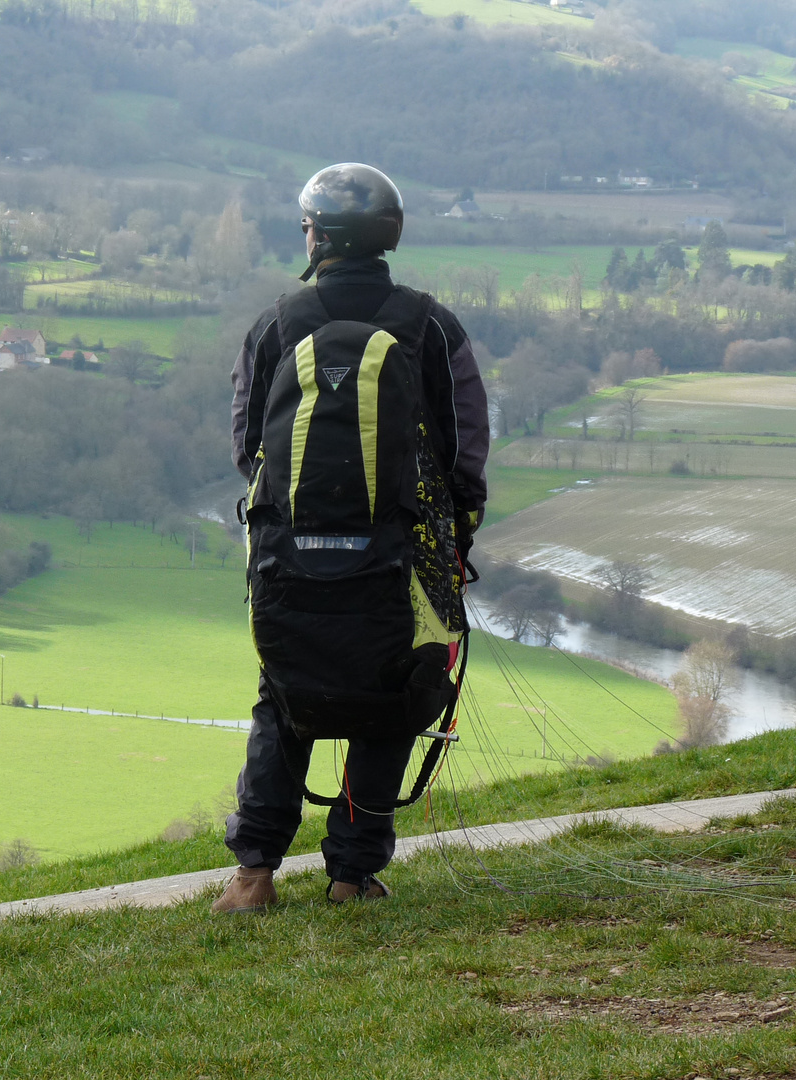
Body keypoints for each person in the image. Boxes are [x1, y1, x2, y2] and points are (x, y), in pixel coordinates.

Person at [216, 163, 488, 913]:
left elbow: (248, 445)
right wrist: (455, 535)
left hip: (287, 559)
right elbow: (467, 444)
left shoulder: (277, 324)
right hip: (403, 560)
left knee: (284, 697)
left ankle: (253, 877)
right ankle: (352, 877)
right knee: (392, 698)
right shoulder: (430, 325)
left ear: (322, 236)